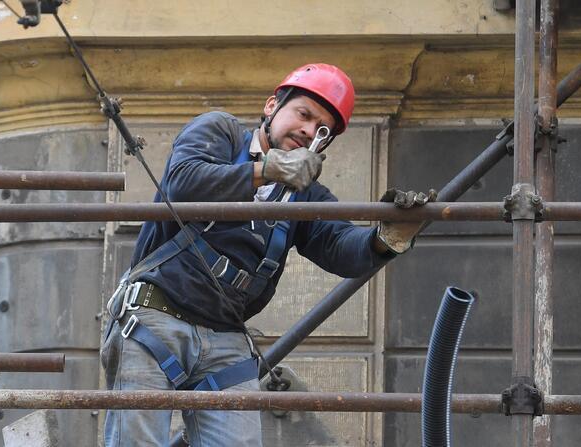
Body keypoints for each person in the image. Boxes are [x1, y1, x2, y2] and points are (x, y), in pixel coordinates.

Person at [100, 63, 428, 446]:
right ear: (272, 106)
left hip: (226, 340)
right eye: (304, 114)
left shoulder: (306, 197)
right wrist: (268, 169)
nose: (309, 131)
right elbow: (184, 181)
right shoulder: (219, 132)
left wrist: (386, 236)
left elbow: (341, 248)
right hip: (156, 319)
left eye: (322, 131)